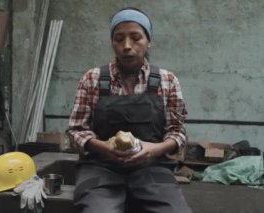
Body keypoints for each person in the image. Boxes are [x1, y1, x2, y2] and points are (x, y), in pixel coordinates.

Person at [66, 7, 192, 213]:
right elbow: (75, 131)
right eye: (119, 39)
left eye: (136, 38)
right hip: (100, 167)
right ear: (112, 42)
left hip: (152, 167)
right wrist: (104, 147)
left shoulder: (167, 81)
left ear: (148, 41)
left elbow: (177, 132)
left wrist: (155, 150)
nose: (126, 46)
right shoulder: (93, 79)